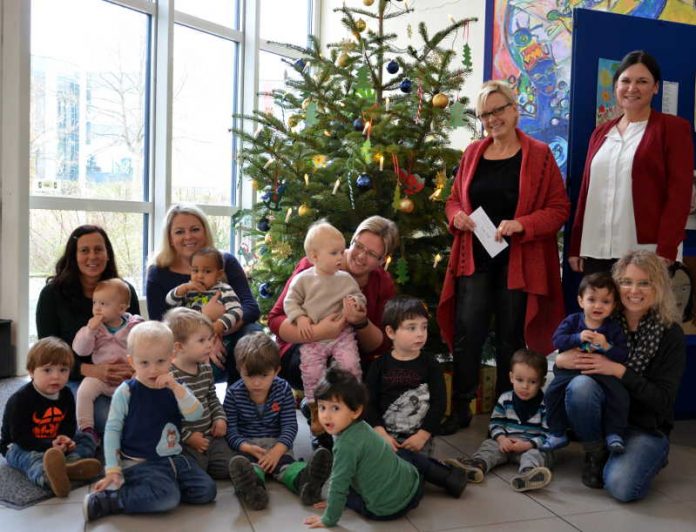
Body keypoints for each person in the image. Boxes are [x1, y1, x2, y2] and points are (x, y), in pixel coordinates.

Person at [437, 80, 570, 430]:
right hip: (474, 257)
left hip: (517, 262)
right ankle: (461, 406)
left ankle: (505, 410)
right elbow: (452, 201)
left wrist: (522, 224)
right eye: (485, 114)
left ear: (514, 109)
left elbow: (559, 208)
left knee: (511, 337)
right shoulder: (472, 154)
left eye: (498, 109)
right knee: (469, 332)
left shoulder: (539, 154)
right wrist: (456, 217)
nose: (492, 118)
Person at [555, 250, 685, 501]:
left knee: (621, 487)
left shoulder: (670, 334)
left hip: (645, 427)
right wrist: (560, 360)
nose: (633, 290)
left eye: (644, 283)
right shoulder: (602, 319)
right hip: (605, 416)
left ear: (658, 287)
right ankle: (596, 450)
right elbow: (571, 362)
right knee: (581, 385)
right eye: (626, 282)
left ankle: (645, 454)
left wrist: (618, 370)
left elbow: (663, 401)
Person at [568, 50, 694, 275]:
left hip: (647, 252)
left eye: (642, 81)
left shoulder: (673, 129)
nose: (632, 88)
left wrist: (667, 247)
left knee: (641, 310)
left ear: (655, 87)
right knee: (602, 311)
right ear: (616, 86)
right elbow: (587, 192)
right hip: (596, 249)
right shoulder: (600, 133)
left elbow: (679, 195)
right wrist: (577, 245)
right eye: (625, 81)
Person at [83, 321, 217, 521]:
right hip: (141, 462)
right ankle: (110, 500)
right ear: (131, 362)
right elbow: (112, 430)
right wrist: (112, 468)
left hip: (176, 459)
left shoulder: (176, 387)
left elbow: (195, 414)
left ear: (172, 358)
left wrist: (177, 389)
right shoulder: (127, 391)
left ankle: (156, 490)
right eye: (144, 363)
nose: (153, 370)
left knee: (207, 491)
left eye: (161, 361)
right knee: (168, 499)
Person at [304, 367, 465, 529]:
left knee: (346, 491)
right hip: (413, 485)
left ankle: (343, 502)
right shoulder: (363, 426)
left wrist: (329, 518)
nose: (326, 416)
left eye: (335, 408)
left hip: (387, 509)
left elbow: (339, 484)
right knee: (406, 454)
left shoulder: (346, 445)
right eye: (322, 407)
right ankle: (447, 476)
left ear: (356, 411)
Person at [268, 216, 399, 391]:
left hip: (349, 350)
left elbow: (380, 345)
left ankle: (341, 407)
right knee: (323, 370)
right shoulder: (314, 265)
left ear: (382, 260)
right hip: (303, 345)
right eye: (358, 246)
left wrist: (361, 322)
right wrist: (318, 332)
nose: (361, 256)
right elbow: (275, 319)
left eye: (372, 254)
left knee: (363, 371)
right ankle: (316, 405)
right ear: (352, 241)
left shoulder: (382, 282)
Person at [36, 225, 141, 432]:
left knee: (148, 409)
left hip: (124, 374)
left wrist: (132, 368)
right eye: (84, 250)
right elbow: (46, 354)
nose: (92, 256)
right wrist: (91, 370)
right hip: (74, 377)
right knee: (108, 417)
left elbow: (139, 340)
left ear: (107, 254)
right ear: (73, 256)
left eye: (98, 249)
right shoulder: (52, 294)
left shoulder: (124, 291)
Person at [146, 203, 261, 381]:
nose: (188, 236)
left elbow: (251, 308)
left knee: (253, 334)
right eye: (179, 232)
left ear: (205, 232)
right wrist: (202, 336)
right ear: (169, 238)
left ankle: (238, 403)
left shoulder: (225, 262)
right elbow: (160, 325)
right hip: (184, 345)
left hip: (228, 334)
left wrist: (218, 330)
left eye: (195, 229)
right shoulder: (158, 271)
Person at [223, 332, 332, 510]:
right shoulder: (233, 394)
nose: (257, 383)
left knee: (288, 467)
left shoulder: (282, 389)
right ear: (239, 369)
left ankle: (307, 481)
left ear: (276, 371)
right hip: (249, 448)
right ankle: (253, 490)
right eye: (250, 376)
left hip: (279, 446)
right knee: (248, 467)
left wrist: (278, 450)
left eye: (264, 376)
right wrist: (246, 446)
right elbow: (231, 430)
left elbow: (289, 425)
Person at [284, 221, 366, 433]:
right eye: (334, 253)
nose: (341, 257)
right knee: (311, 371)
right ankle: (315, 408)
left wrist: (356, 305)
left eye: (341, 251)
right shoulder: (303, 280)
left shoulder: (345, 279)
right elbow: (290, 302)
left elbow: (358, 296)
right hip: (313, 337)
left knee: (350, 363)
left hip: (342, 335)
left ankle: (351, 403)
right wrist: (300, 318)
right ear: (314, 256)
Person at [0, 338, 102, 498]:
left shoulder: (66, 394)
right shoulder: (20, 400)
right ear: (32, 371)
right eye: (47, 370)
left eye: (63, 370)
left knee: (87, 438)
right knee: (30, 457)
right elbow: (19, 437)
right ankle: (47, 476)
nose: (56, 376)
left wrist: (65, 439)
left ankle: (70, 465)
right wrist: (49, 446)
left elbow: (68, 425)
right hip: (20, 444)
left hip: (54, 444)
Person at [542, 273, 628, 453]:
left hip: (602, 374)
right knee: (551, 392)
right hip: (571, 372)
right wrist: (577, 337)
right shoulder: (573, 321)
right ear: (581, 301)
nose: (598, 305)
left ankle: (614, 433)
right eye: (592, 299)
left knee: (619, 395)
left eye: (605, 302)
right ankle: (557, 432)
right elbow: (557, 341)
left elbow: (622, 354)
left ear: (613, 306)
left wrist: (606, 346)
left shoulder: (613, 328)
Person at [445, 349, 553, 492]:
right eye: (519, 380)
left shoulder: (545, 405)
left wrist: (528, 445)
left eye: (532, 381)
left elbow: (548, 434)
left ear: (542, 382)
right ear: (511, 377)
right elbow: (496, 423)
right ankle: (477, 466)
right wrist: (501, 439)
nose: (525, 386)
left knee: (538, 454)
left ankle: (528, 474)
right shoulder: (505, 399)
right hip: (506, 444)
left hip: (530, 446)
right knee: (490, 445)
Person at [365, 295, 446, 459]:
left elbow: (439, 403)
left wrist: (423, 435)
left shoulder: (431, 364)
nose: (420, 334)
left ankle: (446, 474)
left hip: (418, 438)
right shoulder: (379, 365)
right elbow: (368, 402)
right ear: (390, 332)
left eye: (424, 327)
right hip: (385, 436)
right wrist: (380, 433)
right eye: (412, 328)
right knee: (378, 470)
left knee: (414, 473)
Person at [72, 278, 144, 443]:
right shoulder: (94, 329)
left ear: (121, 308)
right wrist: (90, 331)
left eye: (103, 303)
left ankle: (146, 423)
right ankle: (86, 430)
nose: (97, 308)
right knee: (84, 390)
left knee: (145, 388)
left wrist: (137, 370)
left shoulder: (135, 326)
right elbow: (80, 350)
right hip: (101, 377)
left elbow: (145, 348)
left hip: (128, 377)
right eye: (95, 302)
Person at [165, 308, 232, 480]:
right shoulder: (171, 376)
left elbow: (212, 397)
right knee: (195, 471)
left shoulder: (205, 368)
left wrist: (219, 417)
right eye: (202, 340)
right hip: (186, 441)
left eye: (210, 339)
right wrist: (188, 437)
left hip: (211, 436)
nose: (209, 345)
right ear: (179, 347)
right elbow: (167, 416)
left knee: (229, 466)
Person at [165, 246, 244, 381]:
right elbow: (170, 302)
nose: (200, 275)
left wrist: (219, 324)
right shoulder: (189, 290)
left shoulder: (224, 290)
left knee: (209, 370)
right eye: (195, 270)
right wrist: (182, 289)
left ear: (218, 274)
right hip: (189, 339)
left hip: (216, 339)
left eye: (207, 271)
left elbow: (237, 311)